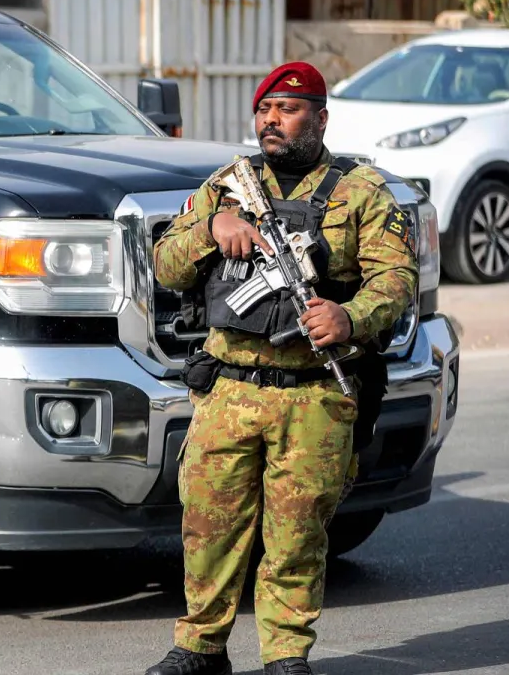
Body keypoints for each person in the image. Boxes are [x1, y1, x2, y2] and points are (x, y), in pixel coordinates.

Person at [144, 62, 417, 675]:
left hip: (314, 394)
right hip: (229, 388)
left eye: (287, 110)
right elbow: (166, 265)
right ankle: (200, 647)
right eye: (264, 109)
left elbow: (396, 280)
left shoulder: (361, 191)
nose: (271, 120)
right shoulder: (225, 187)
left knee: (296, 539)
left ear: (320, 118)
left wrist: (350, 318)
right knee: (208, 530)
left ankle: (286, 656)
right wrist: (213, 228)